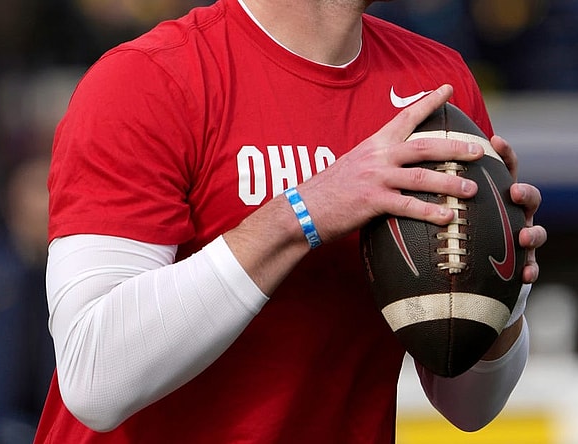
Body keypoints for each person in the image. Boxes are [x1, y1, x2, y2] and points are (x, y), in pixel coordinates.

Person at [35, 0, 547, 442]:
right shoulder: (146, 80)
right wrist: (306, 211)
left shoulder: (436, 84)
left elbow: (469, 407)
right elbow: (93, 378)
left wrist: (506, 285)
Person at [0, 155, 55, 444]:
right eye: (41, 189)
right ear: (14, 200)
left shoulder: (50, 274)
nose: (50, 203)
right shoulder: (2, 274)